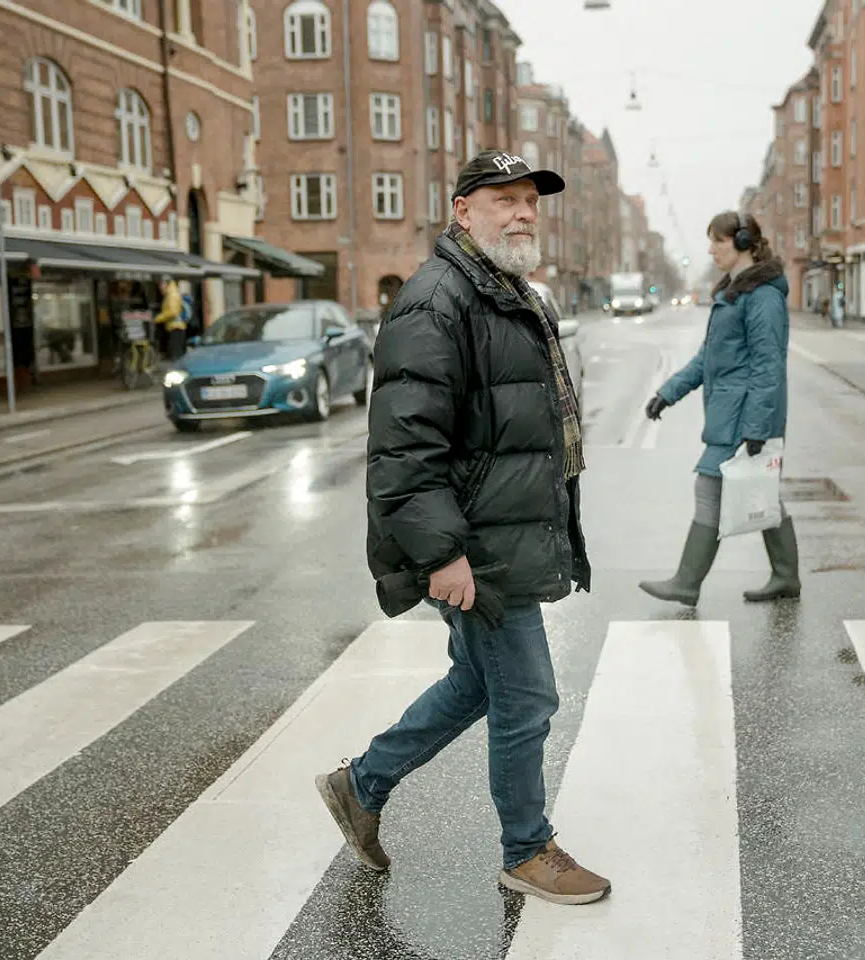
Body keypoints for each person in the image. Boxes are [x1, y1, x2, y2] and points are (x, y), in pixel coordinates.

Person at [314, 151, 607, 906]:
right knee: (529, 696)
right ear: (462, 211)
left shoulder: (507, 293)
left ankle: (362, 782)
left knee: (480, 684)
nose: (521, 213)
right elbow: (406, 446)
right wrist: (443, 552)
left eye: (530, 202)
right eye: (503, 199)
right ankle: (526, 849)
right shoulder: (437, 300)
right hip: (474, 544)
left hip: (500, 532)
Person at [640, 211, 799, 606]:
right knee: (761, 494)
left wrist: (758, 427)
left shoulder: (762, 296)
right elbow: (707, 359)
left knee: (710, 486)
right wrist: (668, 392)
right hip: (731, 413)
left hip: (744, 417)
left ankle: (687, 582)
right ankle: (785, 576)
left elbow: (769, 365)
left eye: (718, 242)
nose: (710, 250)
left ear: (743, 244)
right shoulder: (734, 292)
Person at [154, 276, 186, 360]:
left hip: (176, 328)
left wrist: (158, 318)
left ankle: (179, 372)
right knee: (176, 354)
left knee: (177, 355)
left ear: (166, 284)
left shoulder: (172, 295)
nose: (160, 287)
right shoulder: (170, 294)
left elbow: (173, 312)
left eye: (161, 284)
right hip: (174, 327)